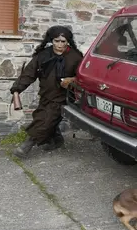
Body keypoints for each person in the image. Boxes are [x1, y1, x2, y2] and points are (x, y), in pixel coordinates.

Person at [10, 25, 84, 158]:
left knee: (44, 121)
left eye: (63, 41)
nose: (60, 44)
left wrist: (72, 80)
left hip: (63, 96)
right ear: (51, 40)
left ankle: (26, 146)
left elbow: (83, 77)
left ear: (68, 41)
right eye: (57, 41)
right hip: (46, 94)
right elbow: (29, 73)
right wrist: (17, 89)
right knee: (46, 118)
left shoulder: (76, 57)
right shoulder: (43, 55)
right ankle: (57, 140)